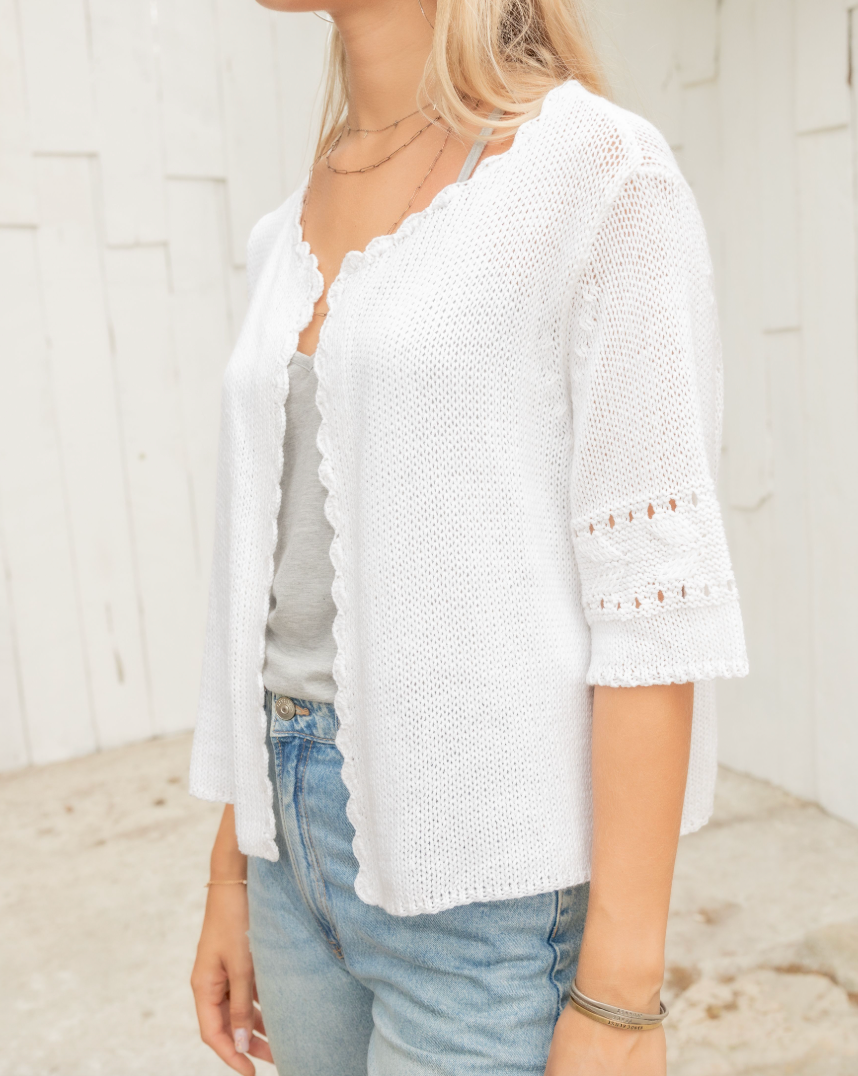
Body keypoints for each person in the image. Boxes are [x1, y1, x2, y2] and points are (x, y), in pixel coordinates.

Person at [189, 0, 748, 1071]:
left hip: (487, 890)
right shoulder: (284, 228)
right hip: (286, 856)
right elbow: (279, 597)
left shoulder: (598, 173)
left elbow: (652, 606)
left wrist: (622, 996)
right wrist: (233, 868)